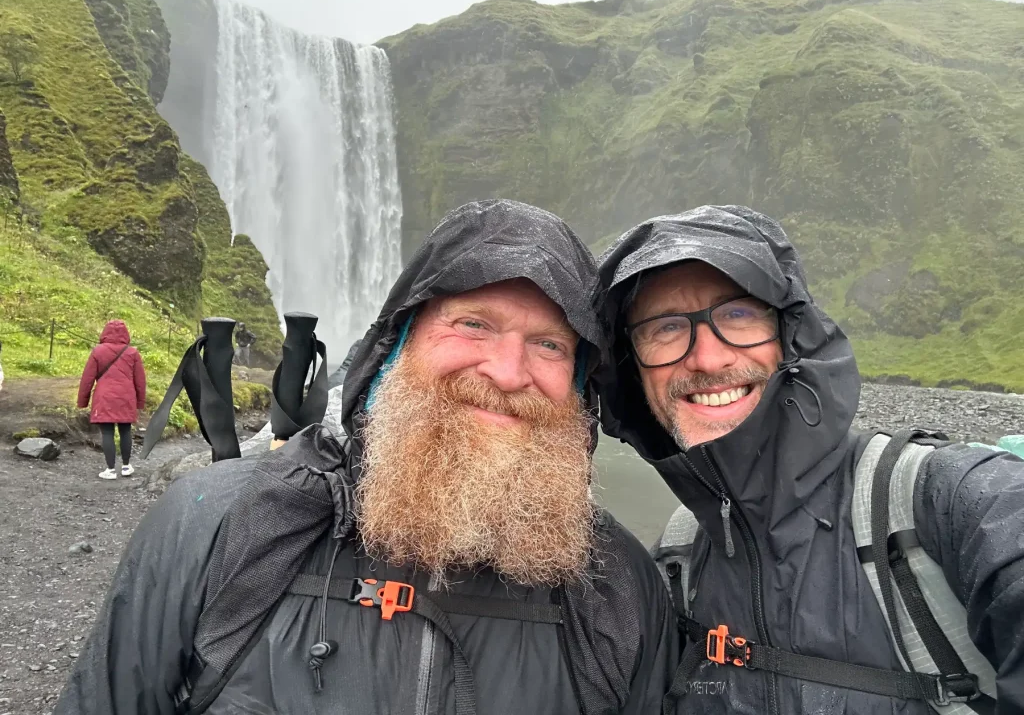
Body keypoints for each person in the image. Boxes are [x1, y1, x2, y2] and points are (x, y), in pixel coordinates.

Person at [55, 199, 677, 714]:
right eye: (473, 325)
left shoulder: (619, 587)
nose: (509, 372)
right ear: (394, 349)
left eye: (548, 344)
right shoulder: (213, 523)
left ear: (580, 386)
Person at [596, 205, 1024, 714]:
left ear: (790, 337)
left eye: (737, 313)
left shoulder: (959, 503)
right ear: (633, 370)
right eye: (664, 328)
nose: (708, 359)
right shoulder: (674, 562)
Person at [76, 319, 146, 480]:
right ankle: (127, 466)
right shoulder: (132, 353)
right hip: (126, 397)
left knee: (107, 432)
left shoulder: (98, 351)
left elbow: (87, 378)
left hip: (104, 397)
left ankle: (110, 469)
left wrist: (83, 401)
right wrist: (140, 402)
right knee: (125, 430)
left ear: (105, 332)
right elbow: (140, 381)